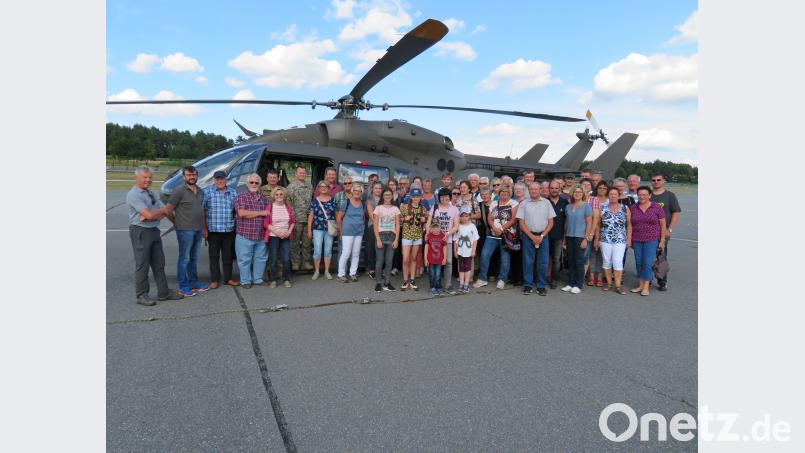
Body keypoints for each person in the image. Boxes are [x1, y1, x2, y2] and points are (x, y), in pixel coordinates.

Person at [126, 166, 183, 305]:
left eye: (150, 177)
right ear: (137, 178)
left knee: (159, 264)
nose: (148, 180)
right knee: (142, 265)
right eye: (144, 177)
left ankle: (163, 292)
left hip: (153, 230)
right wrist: (155, 213)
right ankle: (141, 295)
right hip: (140, 231)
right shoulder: (134, 194)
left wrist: (156, 215)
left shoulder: (150, 193)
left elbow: (165, 211)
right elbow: (151, 214)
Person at [165, 165, 209, 297]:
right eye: (189, 175)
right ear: (184, 177)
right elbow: (168, 210)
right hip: (185, 230)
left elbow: (201, 211)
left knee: (194, 258)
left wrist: (204, 228)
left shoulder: (200, 191)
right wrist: (176, 222)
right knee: (184, 258)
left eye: (194, 174)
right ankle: (183, 286)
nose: (192, 177)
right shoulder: (179, 191)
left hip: (197, 230)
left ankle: (193, 282)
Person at [475, 184, 518, 290]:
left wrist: (501, 229)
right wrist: (494, 228)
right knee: (485, 254)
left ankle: (502, 279)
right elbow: (490, 218)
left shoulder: (513, 203)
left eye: (506, 192)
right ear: (499, 193)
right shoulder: (494, 203)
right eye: (502, 192)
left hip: (506, 235)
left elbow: (513, 220)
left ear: (510, 193)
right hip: (492, 234)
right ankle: (482, 278)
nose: (504, 194)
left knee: (505, 258)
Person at [516, 182, 555, 296]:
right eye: (531, 189)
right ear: (529, 191)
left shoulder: (547, 203)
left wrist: (541, 236)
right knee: (528, 262)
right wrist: (532, 236)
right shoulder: (524, 203)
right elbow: (521, 223)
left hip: (543, 236)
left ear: (540, 190)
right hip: (528, 236)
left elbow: (551, 222)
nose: (533, 191)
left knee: (543, 262)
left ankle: (541, 286)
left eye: (535, 189)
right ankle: (528, 285)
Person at [201, 170, 239, 289]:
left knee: (228, 256)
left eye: (222, 179)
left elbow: (236, 211)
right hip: (213, 230)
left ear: (226, 180)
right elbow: (202, 211)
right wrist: (204, 228)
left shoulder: (233, 192)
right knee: (214, 256)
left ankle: (228, 279)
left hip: (229, 230)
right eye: (217, 179)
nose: (220, 181)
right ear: (214, 180)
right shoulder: (207, 192)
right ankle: (214, 280)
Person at [629, 186, 666, 296]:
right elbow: (630, 224)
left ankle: (646, 287)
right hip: (637, 239)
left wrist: (662, 240)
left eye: (644, 194)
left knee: (647, 263)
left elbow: (663, 224)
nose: (642, 197)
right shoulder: (633, 208)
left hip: (652, 239)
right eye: (640, 194)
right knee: (639, 262)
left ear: (649, 195)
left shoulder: (656, 207)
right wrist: (629, 239)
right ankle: (640, 285)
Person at [234, 173, 269, 289]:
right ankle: (245, 281)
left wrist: (253, 214)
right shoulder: (241, 197)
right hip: (245, 235)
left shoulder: (264, 199)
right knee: (244, 260)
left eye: (256, 182)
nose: (254, 184)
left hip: (261, 235)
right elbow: (242, 213)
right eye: (251, 182)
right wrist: (261, 213)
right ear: (247, 183)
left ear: (259, 184)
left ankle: (258, 279)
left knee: (260, 259)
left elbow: (268, 215)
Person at [594, 187, 632, 294]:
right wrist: (597, 239)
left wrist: (629, 239)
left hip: (620, 240)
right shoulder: (602, 208)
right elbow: (598, 225)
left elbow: (629, 225)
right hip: (605, 239)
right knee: (607, 261)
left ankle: (618, 285)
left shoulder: (625, 208)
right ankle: (609, 283)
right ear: (608, 196)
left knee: (617, 261)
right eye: (611, 194)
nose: (613, 196)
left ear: (618, 196)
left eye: (615, 194)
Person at [649, 173, 681, 291]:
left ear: (663, 181)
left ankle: (662, 281)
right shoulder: (648, 195)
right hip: (647, 232)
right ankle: (647, 279)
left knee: (661, 257)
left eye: (659, 180)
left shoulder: (670, 196)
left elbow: (676, 212)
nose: (656, 182)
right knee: (647, 256)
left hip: (662, 232)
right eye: (654, 180)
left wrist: (670, 229)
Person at [561, 185, 593, 294]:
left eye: (579, 192)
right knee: (570, 260)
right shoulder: (568, 207)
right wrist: (564, 238)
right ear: (572, 193)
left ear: (583, 194)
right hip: (569, 236)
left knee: (579, 261)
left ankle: (578, 284)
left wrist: (586, 238)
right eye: (575, 191)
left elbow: (589, 223)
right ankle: (570, 283)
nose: (577, 193)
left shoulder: (586, 206)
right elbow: (566, 223)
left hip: (580, 237)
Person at [427, 188, 459, 293]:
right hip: (434, 240)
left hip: (447, 240)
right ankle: (435, 285)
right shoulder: (434, 207)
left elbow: (456, 225)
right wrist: (428, 233)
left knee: (448, 262)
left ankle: (448, 285)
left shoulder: (454, 209)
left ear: (450, 197)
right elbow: (428, 223)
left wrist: (447, 233)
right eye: (441, 197)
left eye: (446, 196)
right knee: (434, 262)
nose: (444, 198)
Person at [264, 186, 295, 288]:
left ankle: (286, 279)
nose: (279, 196)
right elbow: (266, 224)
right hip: (274, 236)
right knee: (273, 259)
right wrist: (277, 233)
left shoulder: (288, 207)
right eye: (277, 194)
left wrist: (288, 232)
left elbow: (292, 222)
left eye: (281, 194)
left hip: (286, 236)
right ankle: (273, 280)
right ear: (274, 196)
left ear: (284, 195)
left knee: (286, 258)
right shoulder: (270, 207)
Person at [336, 182, 367, 283]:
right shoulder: (347, 202)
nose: (357, 192)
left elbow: (363, 217)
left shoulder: (363, 203)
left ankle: (353, 273)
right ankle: (341, 274)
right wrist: (340, 232)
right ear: (352, 191)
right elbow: (339, 218)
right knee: (346, 253)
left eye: (359, 191)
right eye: (355, 190)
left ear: (361, 192)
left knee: (356, 253)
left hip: (359, 232)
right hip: (347, 232)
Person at [286, 165, 314, 271]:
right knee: (295, 243)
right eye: (300, 172)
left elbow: (311, 201)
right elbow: (288, 204)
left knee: (307, 243)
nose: (302, 174)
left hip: (307, 220)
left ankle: (306, 262)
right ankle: (295, 263)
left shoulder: (310, 186)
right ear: (296, 174)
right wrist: (291, 219)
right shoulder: (291, 187)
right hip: (296, 220)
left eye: (304, 172)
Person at [373, 188, 401, 291]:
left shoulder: (395, 209)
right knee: (380, 261)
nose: (387, 196)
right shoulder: (378, 208)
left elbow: (397, 225)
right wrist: (378, 239)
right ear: (383, 196)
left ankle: (387, 282)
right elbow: (375, 225)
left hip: (391, 236)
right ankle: (378, 283)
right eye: (385, 195)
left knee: (389, 261)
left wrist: (396, 240)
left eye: (389, 194)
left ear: (392, 196)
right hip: (381, 236)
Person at [399, 188, 427, 290]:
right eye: (414, 196)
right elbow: (398, 219)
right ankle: (405, 280)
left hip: (417, 235)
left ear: (420, 197)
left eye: (418, 196)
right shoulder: (405, 207)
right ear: (411, 197)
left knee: (414, 258)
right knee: (406, 258)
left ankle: (412, 279)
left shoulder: (423, 208)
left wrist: (424, 219)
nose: (416, 198)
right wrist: (404, 219)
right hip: (407, 235)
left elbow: (427, 219)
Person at [308, 181, 337, 280]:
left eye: (326, 186)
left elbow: (336, 215)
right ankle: (316, 271)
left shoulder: (333, 200)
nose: (324, 188)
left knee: (328, 251)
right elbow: (311, 216)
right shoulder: (315, 201)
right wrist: (309, 230)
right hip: (317, 229)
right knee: (317, 251)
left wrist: (338, 227)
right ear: (319, 188)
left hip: (329, 229)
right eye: (322, 186)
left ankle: (327, 271)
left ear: (328, 188)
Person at [546, 180, 569, 288]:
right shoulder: (544, 201)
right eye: (552, 188)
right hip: (545, 235)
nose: (554, 190)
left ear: (560, 189)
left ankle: (554, 279)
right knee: (545, 258)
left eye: (556, 188)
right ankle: (544, 277)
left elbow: (567, 221)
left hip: (559, 236)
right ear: (549, 189)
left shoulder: (565, 203)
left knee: (556, 259)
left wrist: (565, 237)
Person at [586, 180, 609, 287]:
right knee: (591, 253)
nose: (602, 190)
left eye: (604, 188)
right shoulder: (592, 199)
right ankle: (591, 276)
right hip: (591, 229)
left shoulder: (609, 201)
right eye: (600, 188)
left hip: (605, 231)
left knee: (601, 254)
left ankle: (599, 276)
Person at [454, 206, 480, 293]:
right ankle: (461, 283)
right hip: (460, 252)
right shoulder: (458, 226)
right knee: (461, 268)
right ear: (460, 217)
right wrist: (455, 251)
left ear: (469, 216)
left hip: (468, 252)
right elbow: (455, 240)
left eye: (466, 216)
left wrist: (473, 250)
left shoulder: (472, 226)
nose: (464, 218)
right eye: (462, 216)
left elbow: (475, 240)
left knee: (468, 269)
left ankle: (466, 284)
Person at [364, 181, 383, 279]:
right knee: (371, 248)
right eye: (376, 188)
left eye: (379, 188)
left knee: (380, 248)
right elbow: (371, 215)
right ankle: (371, 269)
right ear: (373, 189)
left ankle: (379, 269)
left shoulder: (383, 199)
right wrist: (379, 224)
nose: (378, 190)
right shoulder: (369, 200)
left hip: (383, 227)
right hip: (372, 226)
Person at [510, 182, 527, 286]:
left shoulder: (528, 202)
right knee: (514, 255)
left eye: (520, 189)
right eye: (516, 189)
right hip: (512, 233)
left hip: (524, 233)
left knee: (523, 256)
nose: (518, 191)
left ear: (524, 191)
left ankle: (521, 278)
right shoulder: (511, 202)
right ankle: (513, 277)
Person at [424, 222, 448, 296]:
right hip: (431, 259)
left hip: (439, 259)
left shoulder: (442, 236)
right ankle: (432, 287)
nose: (435, 229)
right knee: (432, 274)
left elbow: (445, 247)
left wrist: (444, 258)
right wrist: (425, 259)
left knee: (438, 274)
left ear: (440, 228)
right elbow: (426, 248)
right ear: (431, 229)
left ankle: (438, 287)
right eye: (433, 227)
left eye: (437, 227)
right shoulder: (429, 236)